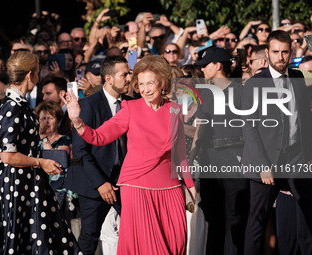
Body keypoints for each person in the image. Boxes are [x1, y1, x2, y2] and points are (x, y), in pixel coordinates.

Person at [63, 55, 197, 254]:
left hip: (170, 189)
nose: (145, 89)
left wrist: (190, 186)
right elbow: (99, 137)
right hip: (137, 188)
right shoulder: (130, 108)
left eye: (150, 83)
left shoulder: (173, 110)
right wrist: (77, 122)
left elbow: (180, 154)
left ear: (162, 83)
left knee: (176, 244)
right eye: (141, 84)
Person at [0, 51, 81, 254]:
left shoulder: (20, 104)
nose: (38, 75)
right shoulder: (12, 106)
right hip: (17, 185)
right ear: (29, 75)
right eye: (37, 71)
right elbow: (7, 156)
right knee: (24, 240)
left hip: (28, 182)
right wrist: (41, 163)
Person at [241, 30, 312, 255]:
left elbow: (306, 120)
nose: (280, 57)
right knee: (257, 221)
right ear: (267, 53)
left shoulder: (298, 78)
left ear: (291, 52)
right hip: (265, 161)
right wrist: (262, 164)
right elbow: (250, 127)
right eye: (275, 52)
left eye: (285, 52)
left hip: (296, 158)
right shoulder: (255, 84)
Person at [64, 55, 133, 255]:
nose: (129, 78)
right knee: (89, 237)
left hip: (125, 181)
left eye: (129, 73)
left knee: (133, 233)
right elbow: (80, 150)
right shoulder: (88, 105)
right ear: (109, 79)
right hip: (93, 182)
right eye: (124, 74)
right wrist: (100, 183)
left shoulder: (132, 104)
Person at [192, 47, 249, 255]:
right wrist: (190, 161)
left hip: (235, 158)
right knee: (213, 218)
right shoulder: (204, 93)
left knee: (237, 217)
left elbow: (251, 130)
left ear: (217, 66)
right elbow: (200, 128)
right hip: (209, 160)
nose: (202, 70)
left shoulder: (242, 92)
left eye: (205, 66)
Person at [36, 101, 73, 214]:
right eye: (43, 119)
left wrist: (44, 138)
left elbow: (54, 158)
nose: (46, 122)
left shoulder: (65, 140)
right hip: (38, 189)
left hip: (59, 191)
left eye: (50, 118)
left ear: (58, 120)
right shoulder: (33, 141)